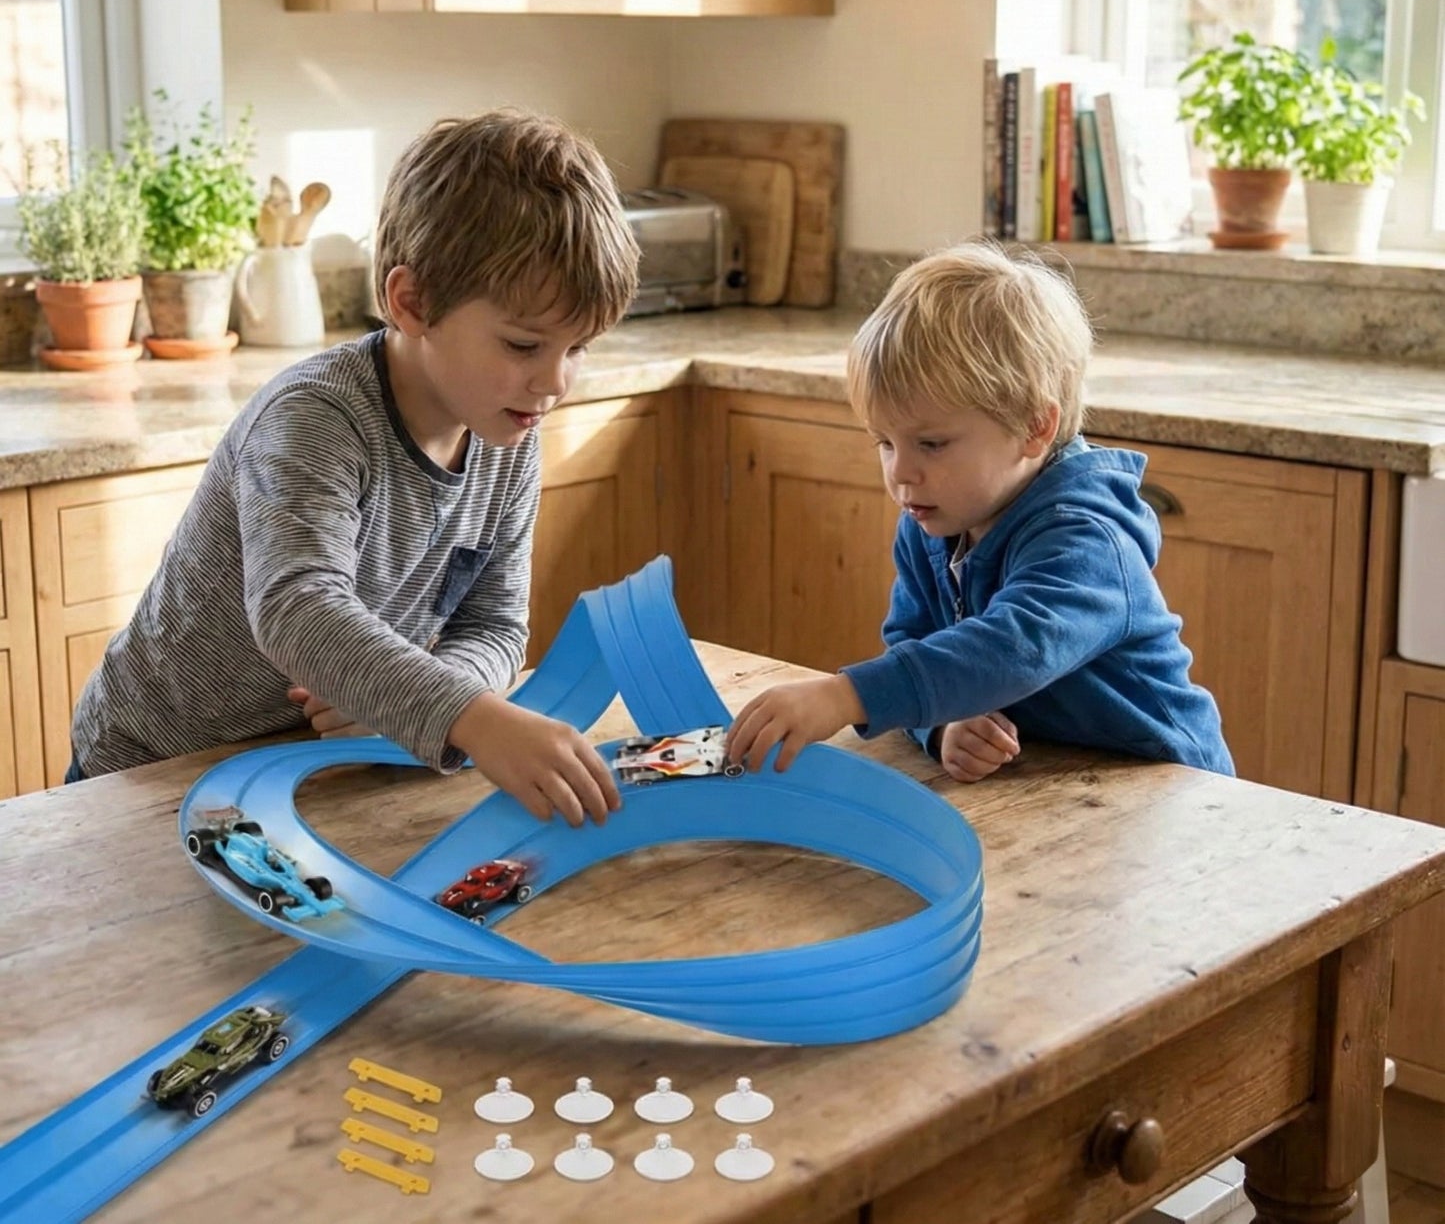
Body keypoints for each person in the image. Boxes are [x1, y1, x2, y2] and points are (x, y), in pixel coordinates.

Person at [70, 109, 640, 827]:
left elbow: (495, 624)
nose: (555, 382)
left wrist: (420, 700)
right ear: (412, 303)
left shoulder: (509, 427)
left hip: (306, 775)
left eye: (578, 347)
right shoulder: (315, 417)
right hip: (153, 769)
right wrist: (472, 717)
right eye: (523, 346)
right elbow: (296, 608)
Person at [725, 241, 1233, 782]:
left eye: (932, 444)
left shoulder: (1088, 536)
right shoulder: (931, 521)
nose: (901, 472)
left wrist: (846, 696)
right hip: (1057, 781)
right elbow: (914, 648)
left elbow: (1016, 648)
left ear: (1034, 427)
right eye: (885, 443)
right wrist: (942, 725)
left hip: (1172, 786)